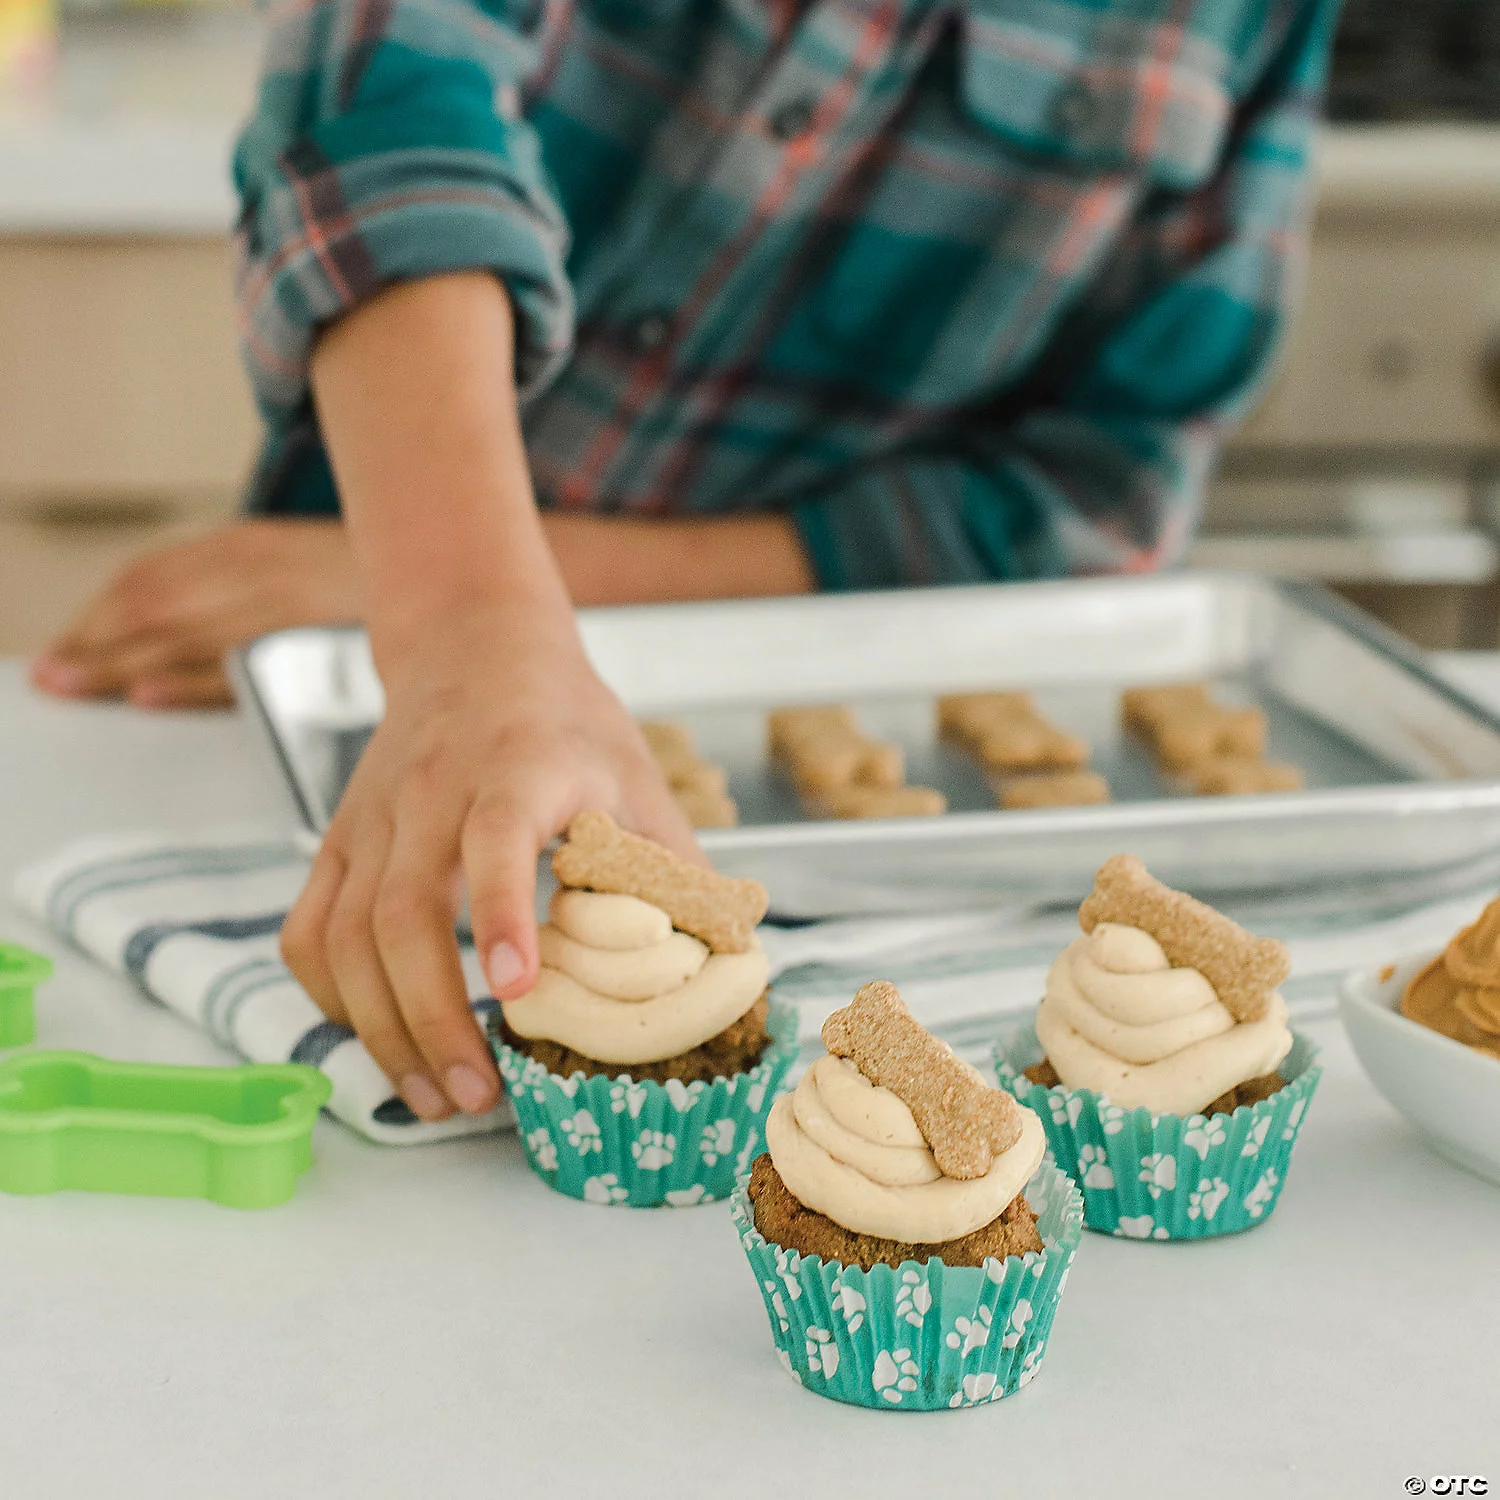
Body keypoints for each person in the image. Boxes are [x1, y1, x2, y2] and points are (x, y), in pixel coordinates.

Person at [30, 0, 1342, 1123]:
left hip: (425, 604)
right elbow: (390, 89)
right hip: (367, 653)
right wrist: (452, 602)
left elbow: (1097, 492)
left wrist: (506, 607)